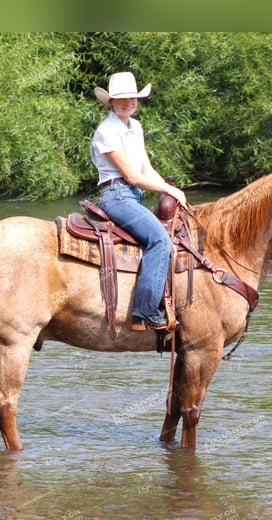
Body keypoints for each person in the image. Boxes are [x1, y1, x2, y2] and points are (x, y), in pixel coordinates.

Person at [90, 71, 187, 331]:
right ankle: (144, 311)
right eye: (121, 99)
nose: (128, 103)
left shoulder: (136, 127)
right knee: (160, 239)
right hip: (116, 195)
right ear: (110, 102)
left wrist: (169, 190)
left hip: (133, 196)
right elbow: (132, 175)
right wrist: (171, 191)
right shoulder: (107, 131)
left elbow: (146, 169)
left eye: (132, 98)